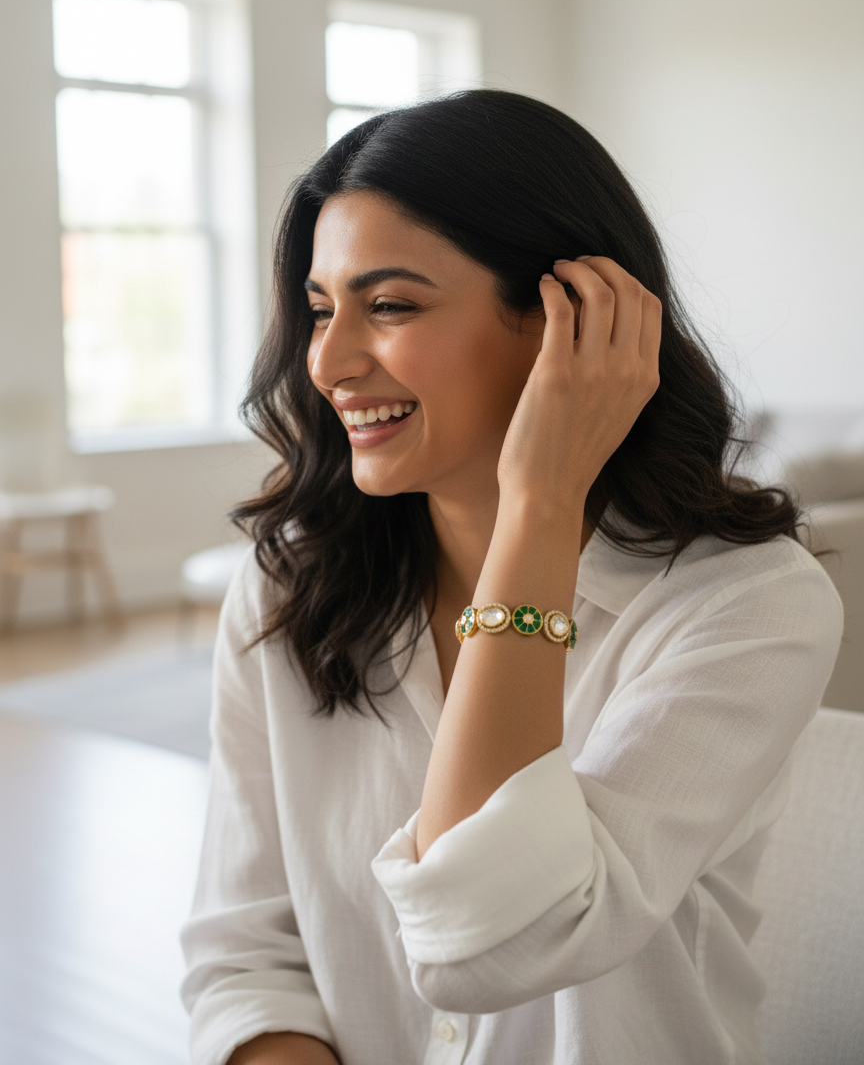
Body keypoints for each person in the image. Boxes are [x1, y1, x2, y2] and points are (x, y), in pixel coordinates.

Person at [180, 90, 842, 1065]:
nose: (329, 360)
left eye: (390, 305)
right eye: (320, 309)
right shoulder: (285, 584)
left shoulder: (748, 605)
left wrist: (539, 504)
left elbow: (486, 941)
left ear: (569, 320)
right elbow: (246, 954)